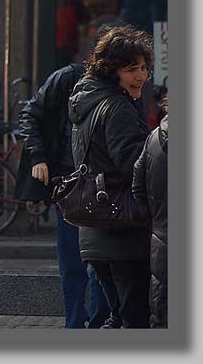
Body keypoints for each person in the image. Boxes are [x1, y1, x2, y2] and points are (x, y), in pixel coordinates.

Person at [67, 24, 154, 328]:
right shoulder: (116, 106)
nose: (142, 76)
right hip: (124, 232)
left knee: (116, 318)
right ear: (110, 70)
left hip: (96, 229)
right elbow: (135, 164)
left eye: (144, 67)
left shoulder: (86, 103)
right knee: (134, 321)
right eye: (132, 69)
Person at [17, 63, 112, 328]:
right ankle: (74, 325)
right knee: (73, 260)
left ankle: (99, 324)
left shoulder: (122, 88)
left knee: (100, 261)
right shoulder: (66, 78)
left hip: (103, 184)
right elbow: (30, 115)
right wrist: (38, 157)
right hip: (69, 182)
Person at [132, 102, 168, 328]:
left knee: (163, 318)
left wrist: (156, 223)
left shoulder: (154, 137)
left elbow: (138, 187)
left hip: (161, 241)